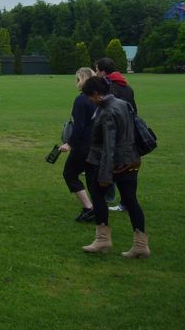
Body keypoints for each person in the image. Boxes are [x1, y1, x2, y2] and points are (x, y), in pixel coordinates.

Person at [80, 76, 149, 258]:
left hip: (113, 163)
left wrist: (104, 175)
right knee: (131, 200)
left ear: (95, 93)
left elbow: (109, 146)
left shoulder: (107, 111)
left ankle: (103, 240)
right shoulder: (123, 104)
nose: (90, 100)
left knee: (98, 196)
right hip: (131, 159)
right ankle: (141, 244)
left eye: (90, 96)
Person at [95, 57, 138, 212]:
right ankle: (126, 201)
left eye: (97, 70)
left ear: (102, 71)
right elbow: (134, 111)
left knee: (112, 165)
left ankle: (111, 198)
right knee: (127, 168)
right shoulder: (126, 86)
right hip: (129, 133)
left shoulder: (110, 88)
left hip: (114, 133)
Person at [58, 68, 97, 222]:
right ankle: (98, 209)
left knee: (70, 174)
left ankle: (89, 208)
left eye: (78, 79)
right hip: (95, 145)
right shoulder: (97, 98)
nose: (76, 83)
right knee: (92, 177)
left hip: (83, 146)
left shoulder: (81, 100)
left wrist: (69, 144)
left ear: (83, 80)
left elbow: (79, 126)